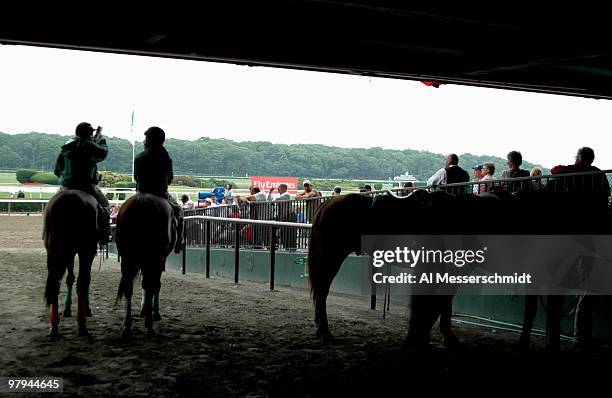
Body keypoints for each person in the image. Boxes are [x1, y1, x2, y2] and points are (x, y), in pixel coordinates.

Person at [552, 147, 610, 349]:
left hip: (579, 234)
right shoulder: (599, 175)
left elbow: (555, 171)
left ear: (580, 159)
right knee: (589, 285)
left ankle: (578, 337)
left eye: (576, 157)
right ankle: (581, 335)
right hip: (595, 233)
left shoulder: (576, 173)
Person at [54, 122, 110, 244]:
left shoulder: (67, 145)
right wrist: (101, 140)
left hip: (66, 187)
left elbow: (57, 170)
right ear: (89, 133)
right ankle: (104, 236)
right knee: (105, 205)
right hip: (86, 187)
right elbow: (102, 154)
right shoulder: (89, 145)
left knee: (52, 206)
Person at [133, 126, 183, 253]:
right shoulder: (165, 158)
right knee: (178, 211)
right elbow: (170, 179)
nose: (144, 141)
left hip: (142, 193)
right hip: (161, 194)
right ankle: (178, 243)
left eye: (146, 138)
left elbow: (136, 177)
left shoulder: (139, 157)